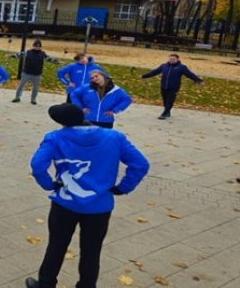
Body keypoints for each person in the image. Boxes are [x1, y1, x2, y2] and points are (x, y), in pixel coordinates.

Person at [26, 103, 149, 288]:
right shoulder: (115, 137)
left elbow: (37, 165)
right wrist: (123, 187)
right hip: (99, 205)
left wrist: (48, 184)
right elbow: (140, 164)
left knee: (57, 245)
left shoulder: (55, 138)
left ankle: (45, 283)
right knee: (92, 250)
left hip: (65, 203)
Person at [141, 53, 203, 120]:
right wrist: (144, 76)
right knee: (165, 101)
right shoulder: (164, 66)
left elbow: (190, 74)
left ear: (177, 59)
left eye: (173, 59)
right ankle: (167, 112)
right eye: (170, 59)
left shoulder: (181, 67)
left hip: (174, 87)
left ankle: (164, 114)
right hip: (164, 86)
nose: (171, 60)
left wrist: (199, 80)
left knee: (170, 101)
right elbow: (154, 72)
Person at [11, 40, 59, 105]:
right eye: (35, 46)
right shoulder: (28, 52)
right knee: (21, 85)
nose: (37, 47)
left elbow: (49, 59)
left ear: (40, 47)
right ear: (33, 46)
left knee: (35, 87)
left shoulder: (42, 54)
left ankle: (33, 99)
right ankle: (17, 97)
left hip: (37, 74)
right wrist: (11, 56)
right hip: (26, 72)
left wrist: (56, 62)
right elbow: (19, 55)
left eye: (38, 46)